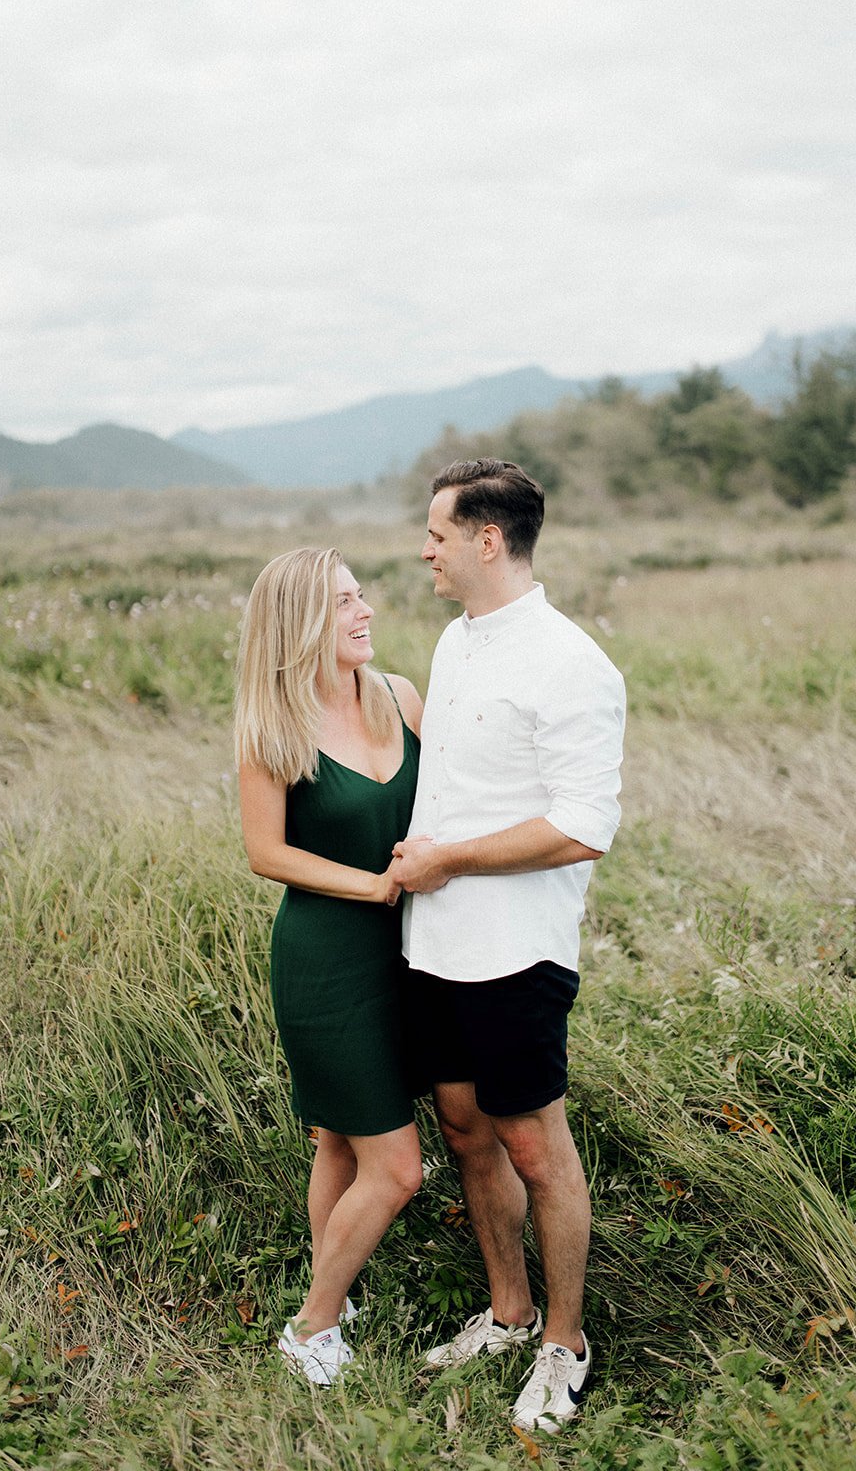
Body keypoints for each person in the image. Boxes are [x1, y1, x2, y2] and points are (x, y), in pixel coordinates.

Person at [391, 458, 625, 1435]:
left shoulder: (575, 664)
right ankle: (508, 1310)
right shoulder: (455, 640)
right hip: (433, 944)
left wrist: (449, 859)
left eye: (438, 533)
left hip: (517, 952)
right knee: (462, 1130)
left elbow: (582, 825)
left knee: (535, 1145)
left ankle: (564, 1345)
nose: (424, 550)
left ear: (490, 540)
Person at [235, 546, 424, 1386]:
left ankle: (334, 1292)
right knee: (397, 1166)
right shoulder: (273, 727)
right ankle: (311, 1328)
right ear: (302, 622)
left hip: (416, 957)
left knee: (340, 1147)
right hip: (326, 965)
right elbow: (263, 853)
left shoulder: (400, 695)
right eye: (344, 602)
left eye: (361, 596)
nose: (365, 611)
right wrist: (376, 886)